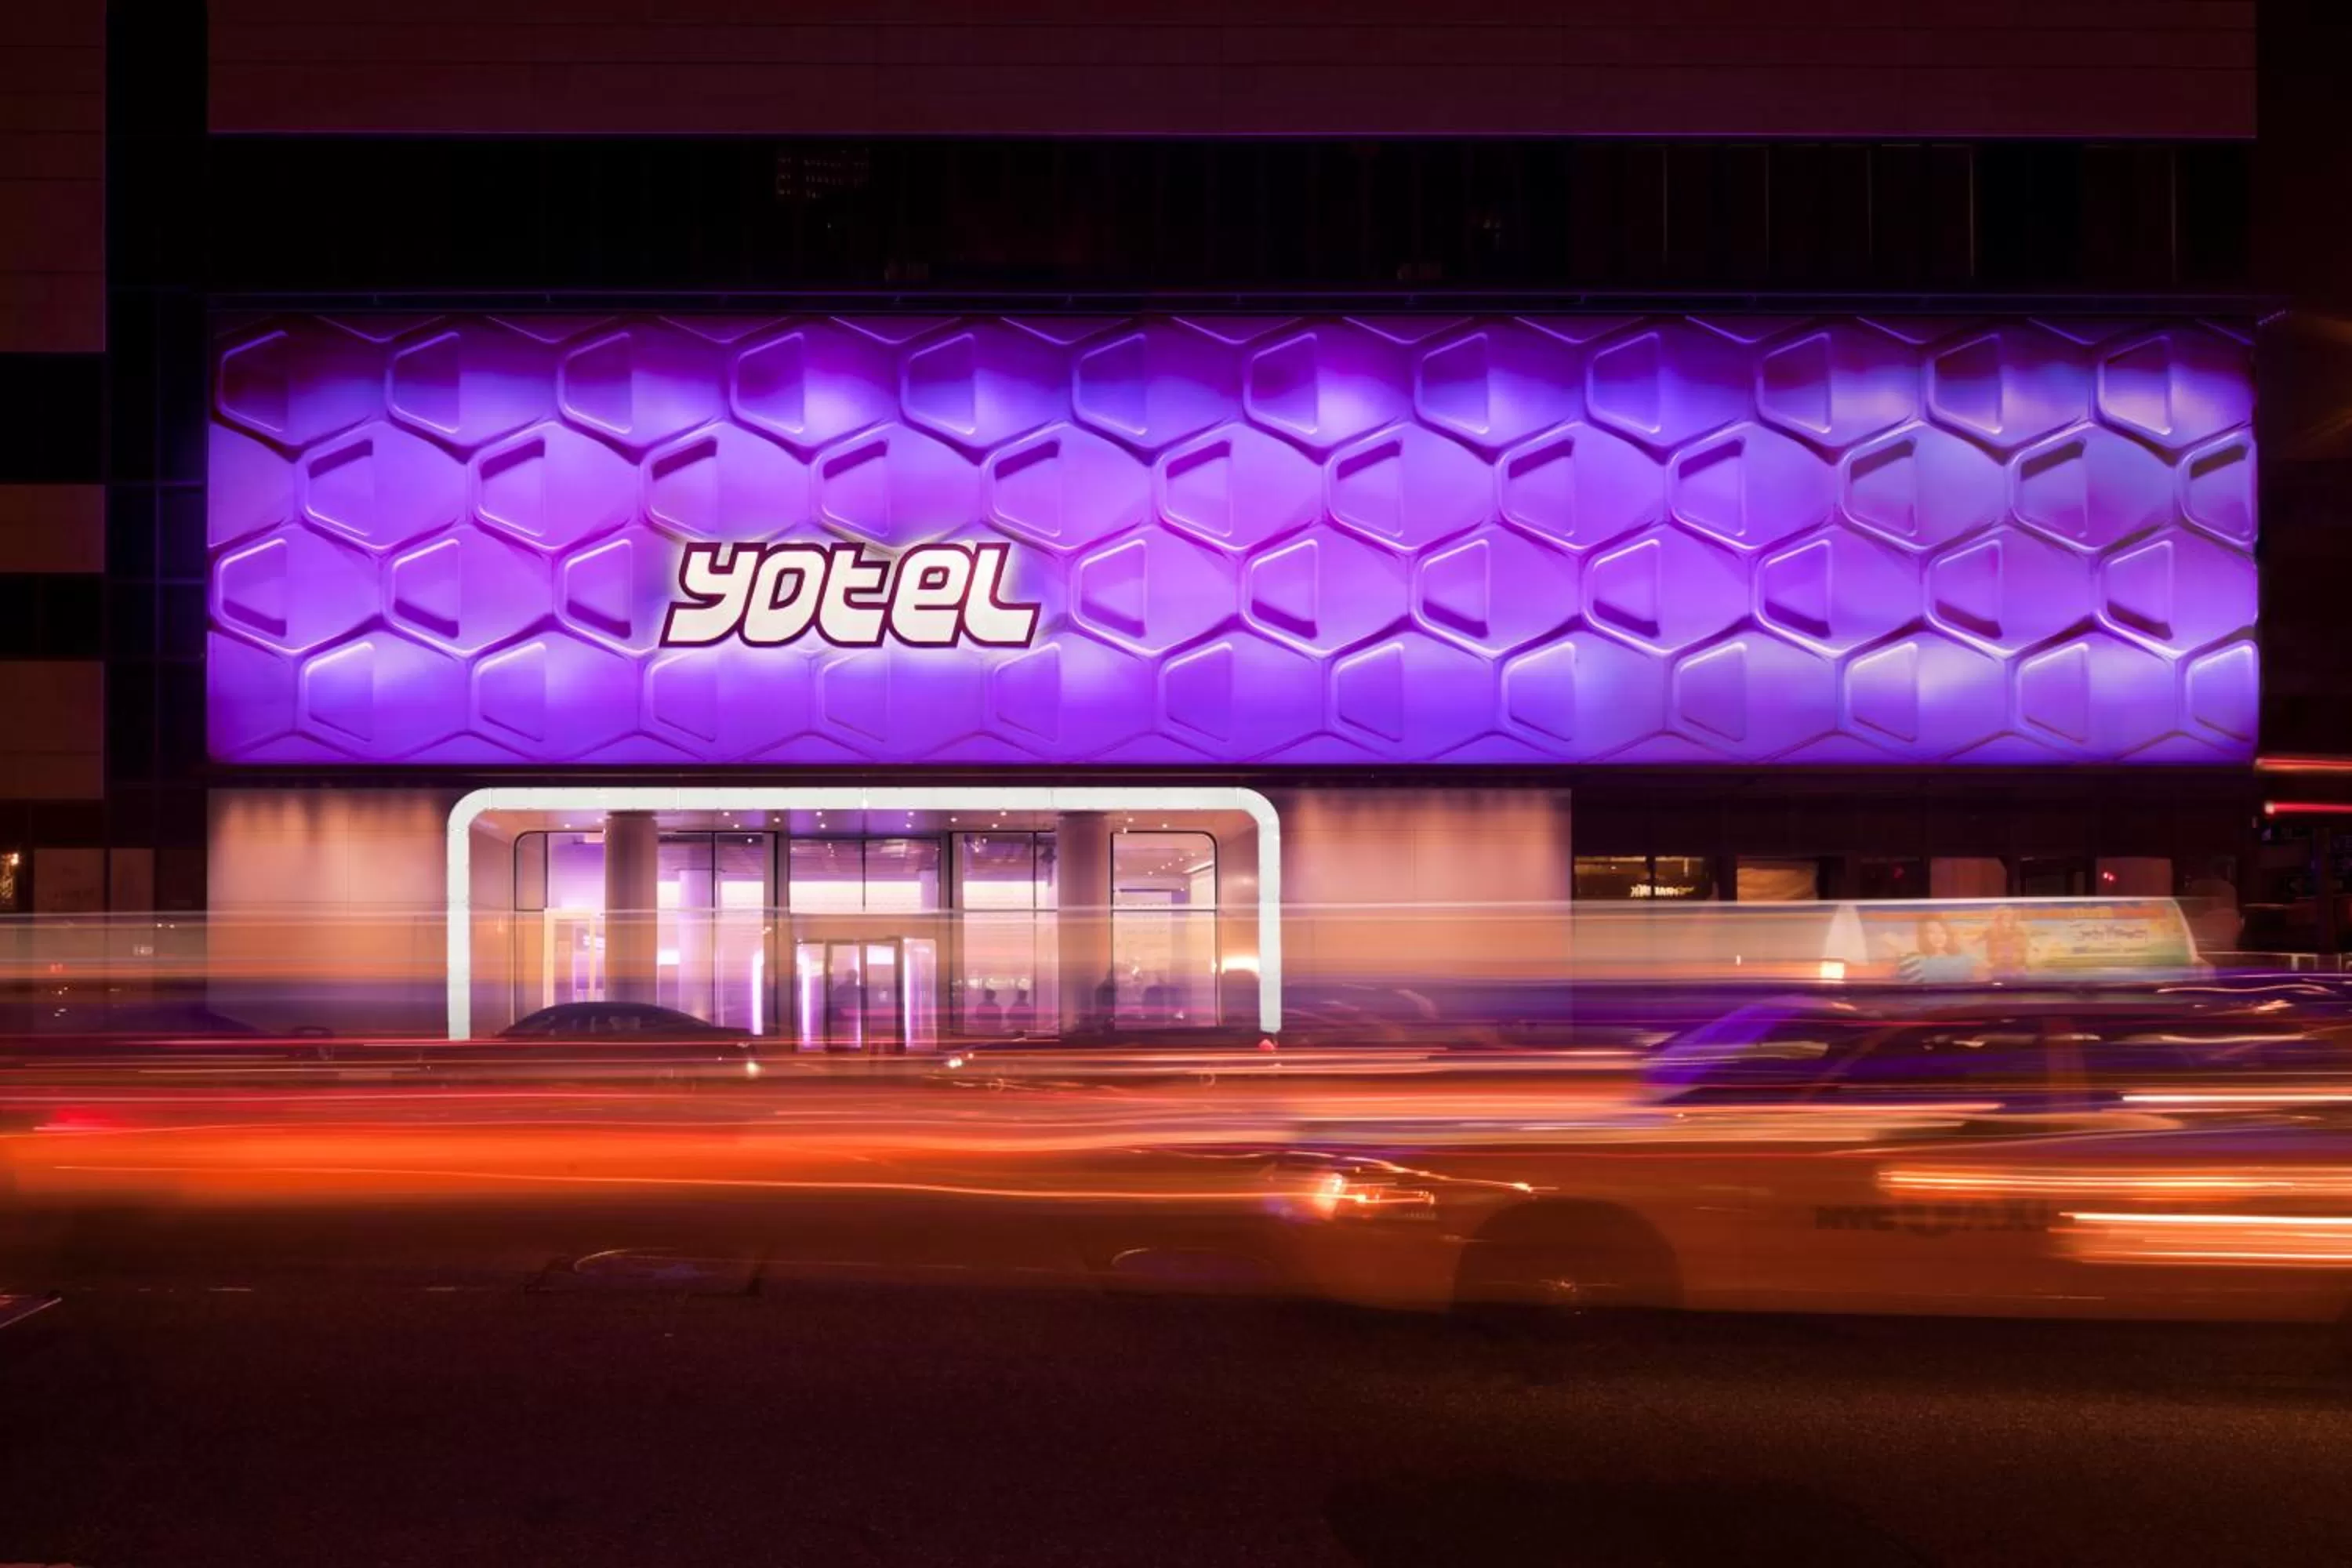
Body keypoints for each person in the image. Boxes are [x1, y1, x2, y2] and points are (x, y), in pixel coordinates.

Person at [1898, 915, 1982, 984]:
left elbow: (1985, 979)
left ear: (1948, 934)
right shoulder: (1914, 959)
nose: (1938, 937)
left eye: (1942, 932)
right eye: (1931, 932)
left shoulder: (1965, 958)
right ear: (1924, 936)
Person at [1981, 905, 2031, 978]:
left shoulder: (2019, 930)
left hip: (2016, 967)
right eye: (2005, 916)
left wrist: (2022, 963)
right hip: (1997, 966)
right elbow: (1975, 943)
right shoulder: (1991, 930)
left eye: (2010, 916)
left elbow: (2024, 947)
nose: (2008, 918)